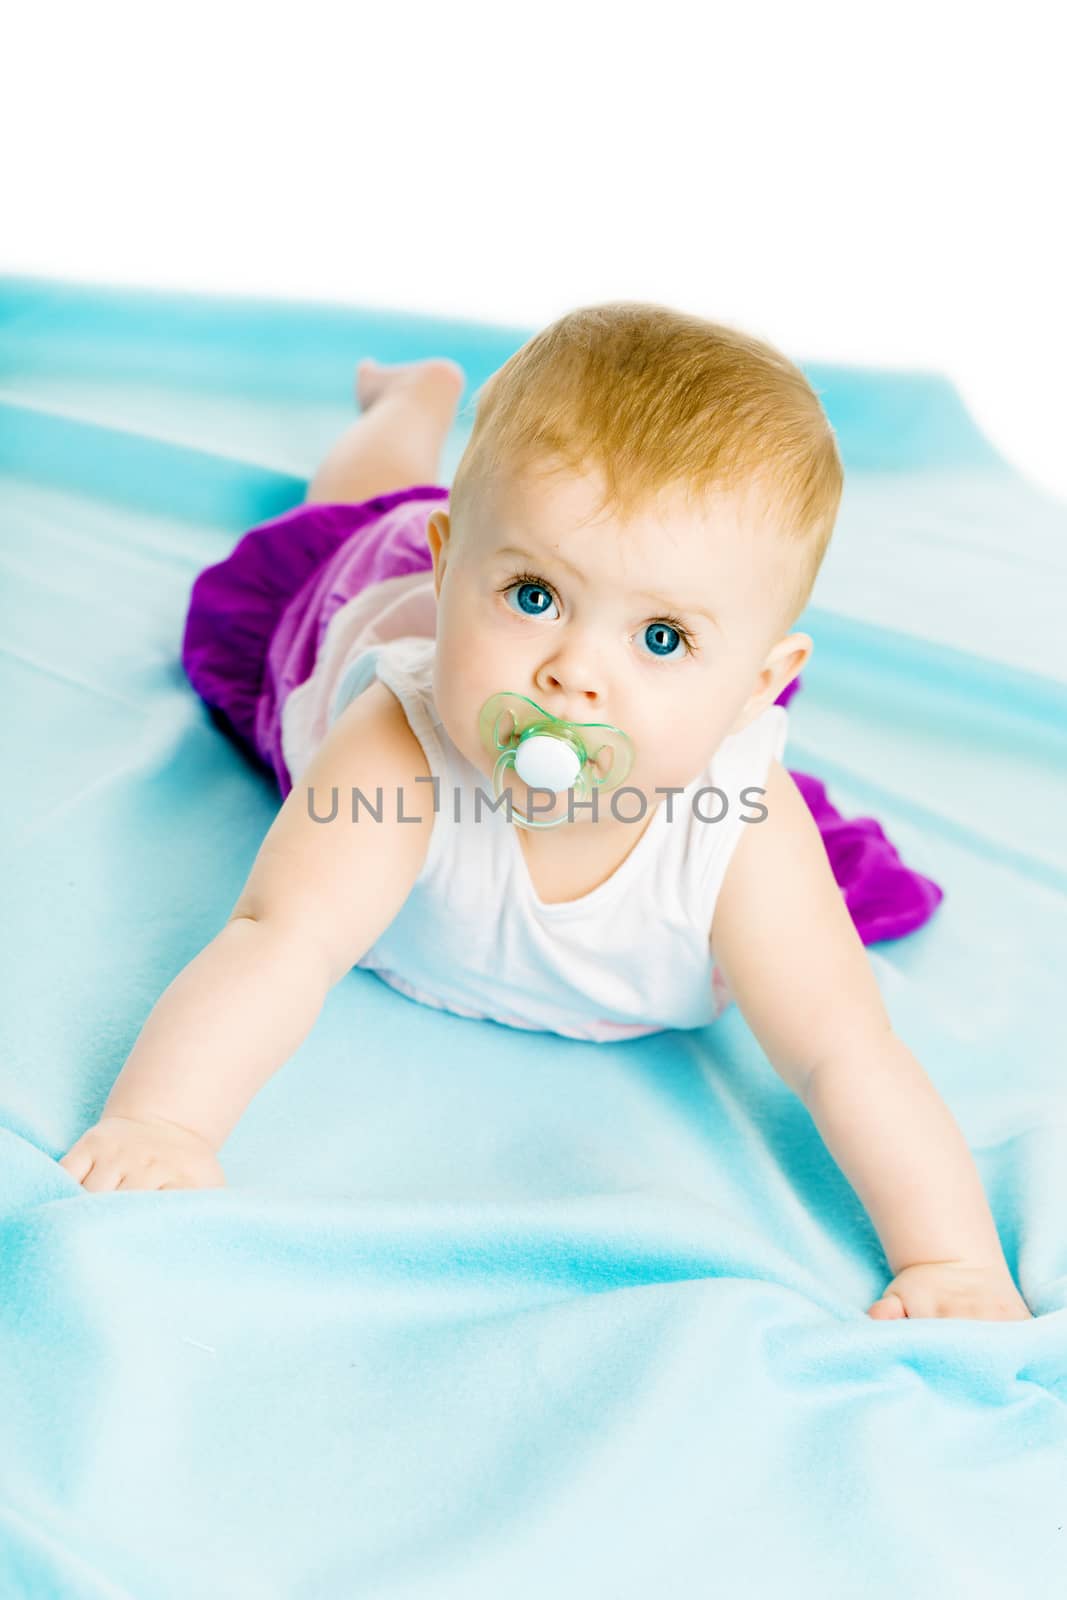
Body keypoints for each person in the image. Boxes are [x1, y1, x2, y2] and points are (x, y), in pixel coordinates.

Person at [57, 302, 1029, 1321]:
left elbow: (844, 1050)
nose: (570, 676)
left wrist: (949, 1260)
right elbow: (279, 939)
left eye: (659, 639)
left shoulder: (741, 824)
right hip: (363, 603)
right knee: (356, 513)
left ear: (758, 684)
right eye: (532, 597)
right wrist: (164, 1124)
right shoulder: (397, 752)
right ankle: (410, 401)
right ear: (451, 572)